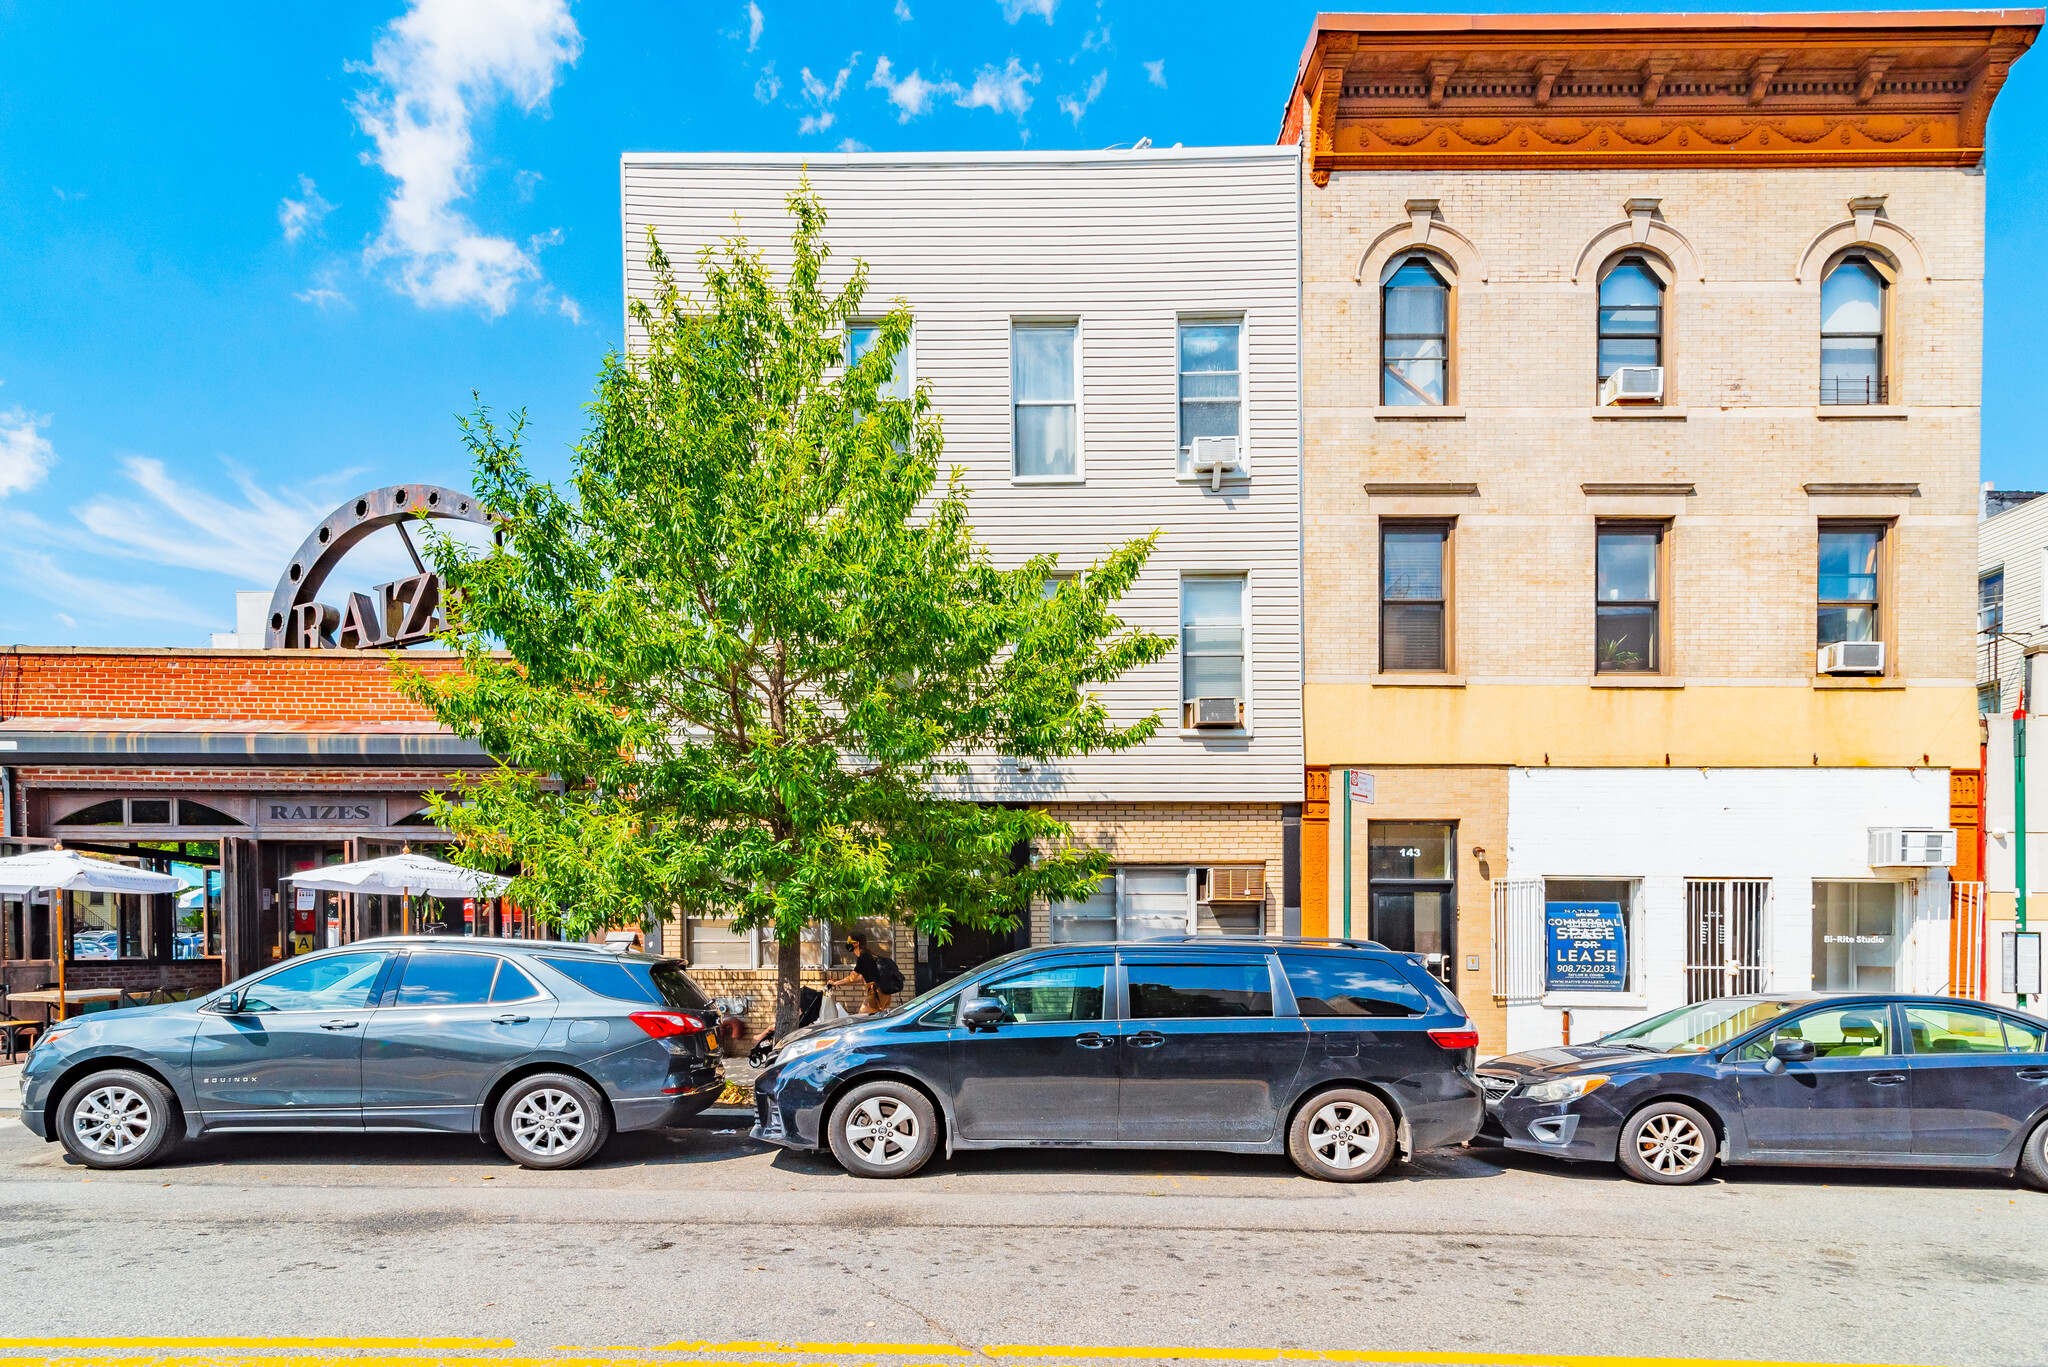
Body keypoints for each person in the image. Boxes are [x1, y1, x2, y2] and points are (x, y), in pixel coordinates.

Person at [829, 935, 891, 1014]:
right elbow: (860, 977)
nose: (847, 944)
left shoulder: (863, 957)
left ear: (856, 943)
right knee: (880, 1019)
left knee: (862, 1018)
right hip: (885, 991)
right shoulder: (869, 955)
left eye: (849, 942)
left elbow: (852, 978)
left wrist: (835, 983)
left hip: (876, 991)